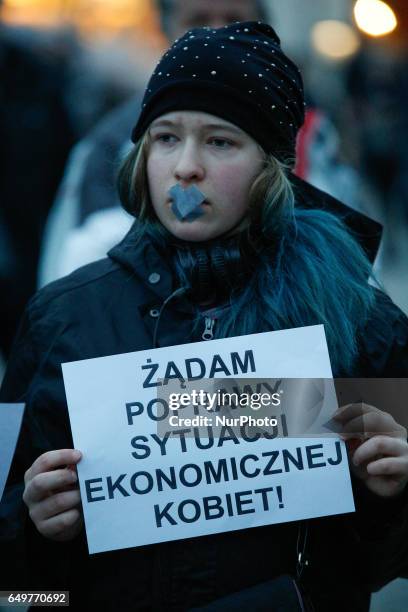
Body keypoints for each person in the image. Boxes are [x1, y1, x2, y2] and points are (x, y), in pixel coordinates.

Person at [1, 21, 408, 611]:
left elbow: (376, 568)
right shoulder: (61, 316)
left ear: (272, 167)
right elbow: (19, 593)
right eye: (165, 138)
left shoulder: (356, 321)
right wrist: (29, 525)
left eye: (220, 141)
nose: (185, 168)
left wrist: (394, 496)